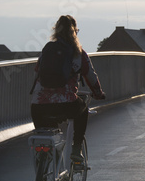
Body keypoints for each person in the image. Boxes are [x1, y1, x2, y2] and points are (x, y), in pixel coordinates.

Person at [31, 15, 106, 162]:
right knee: (82, 110)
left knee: (46, 132)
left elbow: (37, 74)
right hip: (65, 105)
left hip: (38, 106)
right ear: (75, 32)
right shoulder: (79, 54)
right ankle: (76, 150)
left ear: (56, 31)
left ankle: (45, 168)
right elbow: (91, 77)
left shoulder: (47, 50)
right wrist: (98, 93)